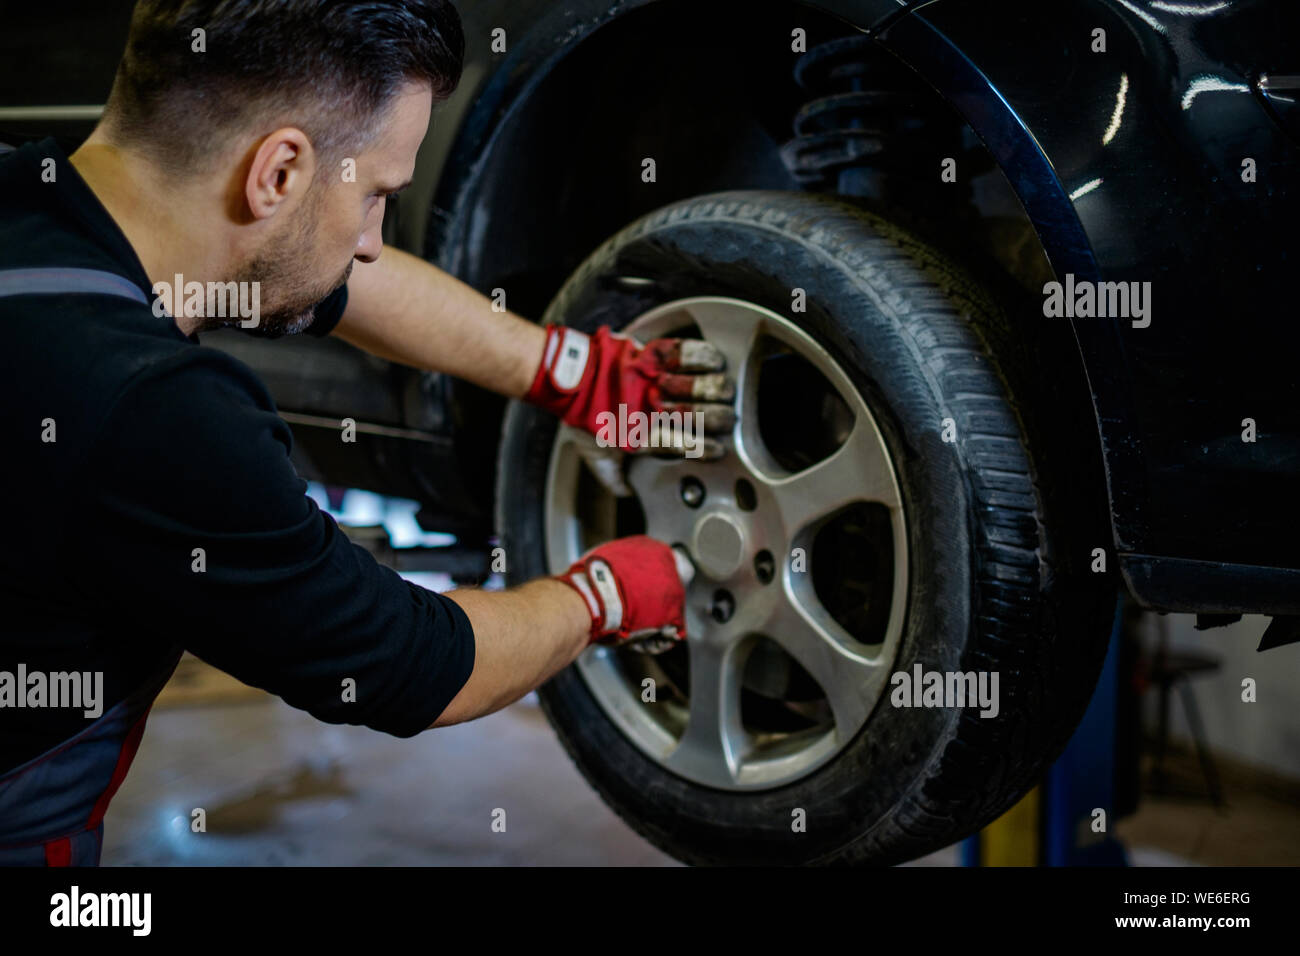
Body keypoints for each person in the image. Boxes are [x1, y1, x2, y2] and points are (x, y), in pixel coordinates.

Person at [0, 0, 733, 865]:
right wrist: (599, 598)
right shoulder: (158, 415)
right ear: (276, 173)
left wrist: (566, 368)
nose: (377, 242)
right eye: (380, 195)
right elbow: (409, 663)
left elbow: (330, 278)